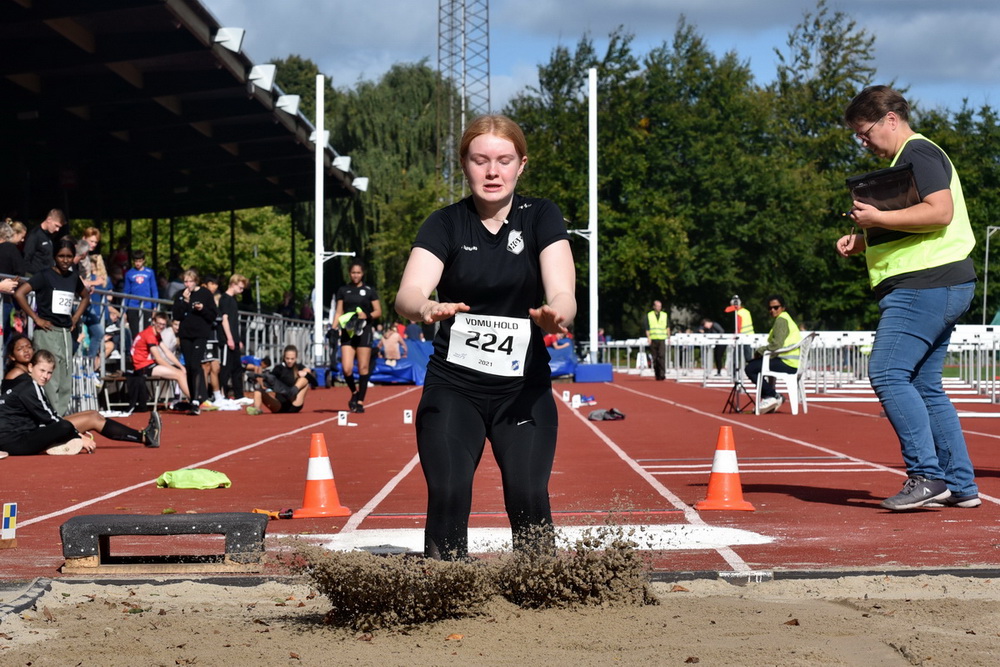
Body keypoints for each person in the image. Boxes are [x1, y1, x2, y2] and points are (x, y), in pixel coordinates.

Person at [395, 114, 576, 561]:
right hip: (454, 388)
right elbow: (408, 293)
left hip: (523, 391)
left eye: (504, 160)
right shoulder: (445, 224)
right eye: (480, 160)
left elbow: (563, 293)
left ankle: (540, 583)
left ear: (521, 165)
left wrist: (556, 315)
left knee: (528, 493)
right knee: (449, 489)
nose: (492, 172)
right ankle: (447, 581)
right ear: (464, 164)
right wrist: (426, 307)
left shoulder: (541, 216)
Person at [838, 85, 979, 511]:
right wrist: (865, 241)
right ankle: (959, 484)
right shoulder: (910, 159)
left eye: (865, 133)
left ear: (891, 119)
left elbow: (940, 212)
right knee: (924, 385)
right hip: (941, 282)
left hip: (925, 285)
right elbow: (917, 225)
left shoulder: (918, 153)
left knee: (886, 372)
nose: (863, 142)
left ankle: (926, 476)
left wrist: (878, 217)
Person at [0, 349, 160, 455]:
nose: (45, 376)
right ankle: (144, 437)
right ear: (30, 367)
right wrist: (78, 436)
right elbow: (50, 419)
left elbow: (47, 415)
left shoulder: (26, 383)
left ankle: (145, 436)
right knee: (65, 426)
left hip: (22, 434)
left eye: (49, 372)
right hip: (16, 441)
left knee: (93, 415)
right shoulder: (29, 387)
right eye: (41, 371)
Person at [14, 237, 89, 416]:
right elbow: (20, 293)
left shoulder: (73, 277)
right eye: (61, 256)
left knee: (65, 377)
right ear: (55, 256)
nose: (65, 260)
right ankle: (51, 417)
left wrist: (75, 318)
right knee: (50, 377)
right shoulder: (45, 275)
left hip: (65, 333)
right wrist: (36, 318)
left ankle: (60, 417)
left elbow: (85, 296)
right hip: (47, 332)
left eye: (69, 256)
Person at [332, 260, 382, 413]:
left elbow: (378, 311)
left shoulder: (369, 290)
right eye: (353, 272)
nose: (355, 275)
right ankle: (354, 392)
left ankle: (360, 401)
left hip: (364, 330)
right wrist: (333, 328)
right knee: (346, 368)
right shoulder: (343, 290)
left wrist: (366, 315)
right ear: (349, 273)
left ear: (363, 274)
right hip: (348, 330)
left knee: (363, 367)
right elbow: (339, 311)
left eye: (358, 273)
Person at [744, 295, 801, 414]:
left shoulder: (781, 320)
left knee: (750, 368)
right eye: (770, 308)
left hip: (787, 363)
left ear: (783, 307)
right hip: (791, 362)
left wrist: (760, 351)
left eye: (776, 307)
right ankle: (770, 395)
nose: (772, 310)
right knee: (757, 365)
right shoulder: (786, 319)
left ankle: (771, 396)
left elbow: (777, 345)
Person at [172, 269, 216, 414]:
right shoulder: (180, 295)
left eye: (190, 281)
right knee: (189, 366)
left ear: (196, 281)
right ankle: (192, 398)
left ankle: (197, 399)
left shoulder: (205, 293)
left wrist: (202, 308)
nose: (188, 284)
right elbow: (177, 315)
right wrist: (185, 301)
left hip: (200, 334)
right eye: (185, 281)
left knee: (196, 364)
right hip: (186, 334)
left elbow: (212, 315)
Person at [131, 311, 191, 405]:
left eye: (163, 324)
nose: (161, 326)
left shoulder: (156, 334)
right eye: (159, 324)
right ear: (154, 322)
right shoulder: (149, 335)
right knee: (179, 374)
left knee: (181, 371)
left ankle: (193, 399)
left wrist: (180, 366)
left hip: (148, 363)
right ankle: (194, 400)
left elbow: (167, 352)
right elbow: (158, 358)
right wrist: (175, 369)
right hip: (142, 366)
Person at [246, 344, 315, 415]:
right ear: (284, 357)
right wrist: (256, 380)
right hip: (279, 405)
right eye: (287, 358)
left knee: (305, 377)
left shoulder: (299, 367)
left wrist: (306, 373)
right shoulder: (279, 368)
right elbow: (269, 381)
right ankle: (257, 409)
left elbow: (315, 383)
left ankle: (292, 392)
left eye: (292, 359)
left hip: (295, 402)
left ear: (296, 358)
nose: (289, 361)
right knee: (258, 389)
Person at [218, 274, 248, 400]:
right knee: (226, 368)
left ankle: (239, 395)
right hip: (227, 340)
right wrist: (229, 338)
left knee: (237, 368)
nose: (241, 290)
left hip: (233, 339)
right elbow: (224, 320)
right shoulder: (225, 299)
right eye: (240, 287)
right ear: (233, 284)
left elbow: (233, 322)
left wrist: (237, 339)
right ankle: (221, 395)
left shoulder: (232, 300)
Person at [122, 249, 158, 335]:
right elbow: (126, 292)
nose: (138, 263)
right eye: (136, 261)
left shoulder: (150, 272)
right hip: (133, 305)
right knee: (135, 331)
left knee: (146, 331)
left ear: (143, 260)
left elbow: (154, 290)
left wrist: (155, 307)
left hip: (147, 305)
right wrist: (124, 310)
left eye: (140, 261)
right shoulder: (129, 273)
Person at [22, 209, 66, 275]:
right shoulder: (34, 235)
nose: (57, 229)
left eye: (59, 227)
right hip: (37, 276)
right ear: (49, 219)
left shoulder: (49, 236)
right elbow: (26, 259)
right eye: (56, 225)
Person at [724, 295, 755, 364]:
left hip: (742, 336)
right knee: (748, 356)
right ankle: (751, 368)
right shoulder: (746, 311)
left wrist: (735, 335)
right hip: (749, 336)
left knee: (736, 356)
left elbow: (738, 326)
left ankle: (735, 369)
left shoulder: (739, 313)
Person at [645, 300, 669, 380]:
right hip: (653, 338)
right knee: (654, 357)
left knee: (662, 356)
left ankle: (662, 374)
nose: (659, 308)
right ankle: (657, 373)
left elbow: (667, 327)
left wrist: (669, 337)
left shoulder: (664, 315)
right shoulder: (649, 315)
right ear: (654, 307)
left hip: (662, 338)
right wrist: (648, 337)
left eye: (660, 306)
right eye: (657, 306)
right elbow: (647, 328)